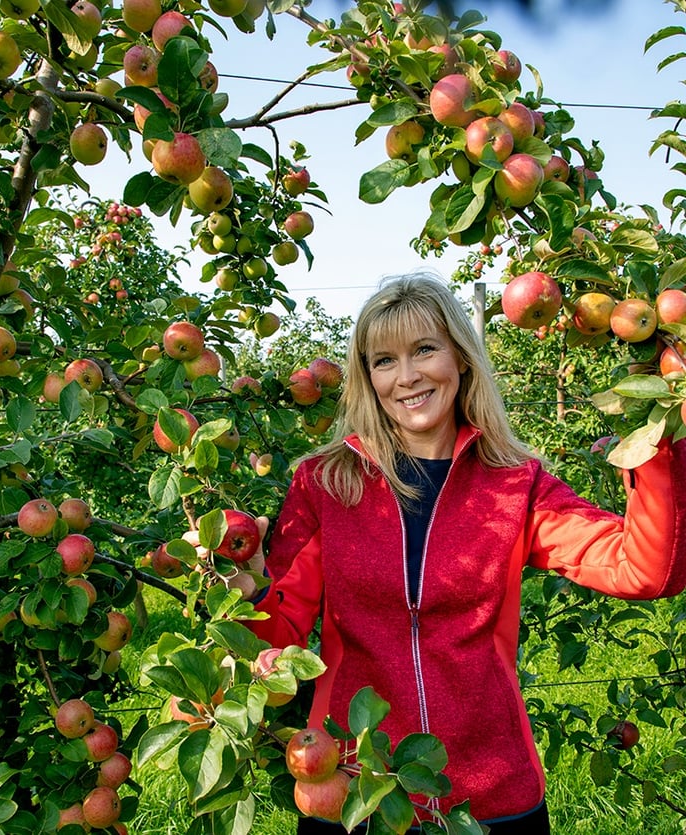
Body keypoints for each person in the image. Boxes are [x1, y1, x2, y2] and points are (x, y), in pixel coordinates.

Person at [234, 274, 686, 834]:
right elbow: (280, 640)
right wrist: (248, 593)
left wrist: (655, 436)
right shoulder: (326, 484)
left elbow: (644, 569)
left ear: (461, 358)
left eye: (425, 349)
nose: (407, 376)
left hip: (491, 791)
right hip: (354, 788)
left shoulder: (514, 484)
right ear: (366, 376)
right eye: (383, 360)